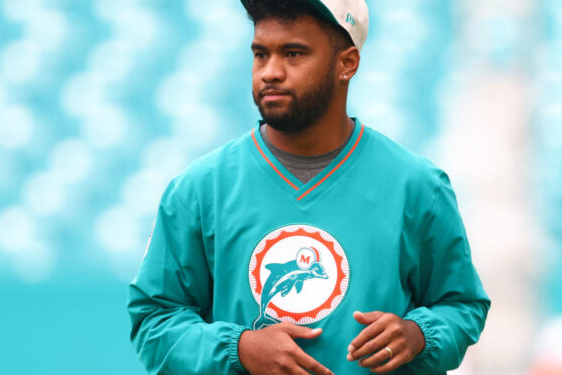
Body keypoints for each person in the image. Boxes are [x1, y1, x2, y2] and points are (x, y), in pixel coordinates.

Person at [127, 0, 490, 374]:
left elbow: (462, 305)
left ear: (346, 63)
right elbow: (154, 320)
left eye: (293, 53)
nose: (270, 72)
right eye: (260, 54)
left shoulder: (417, 186)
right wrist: (240, 348)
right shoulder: (198, 190)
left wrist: (418, 335)